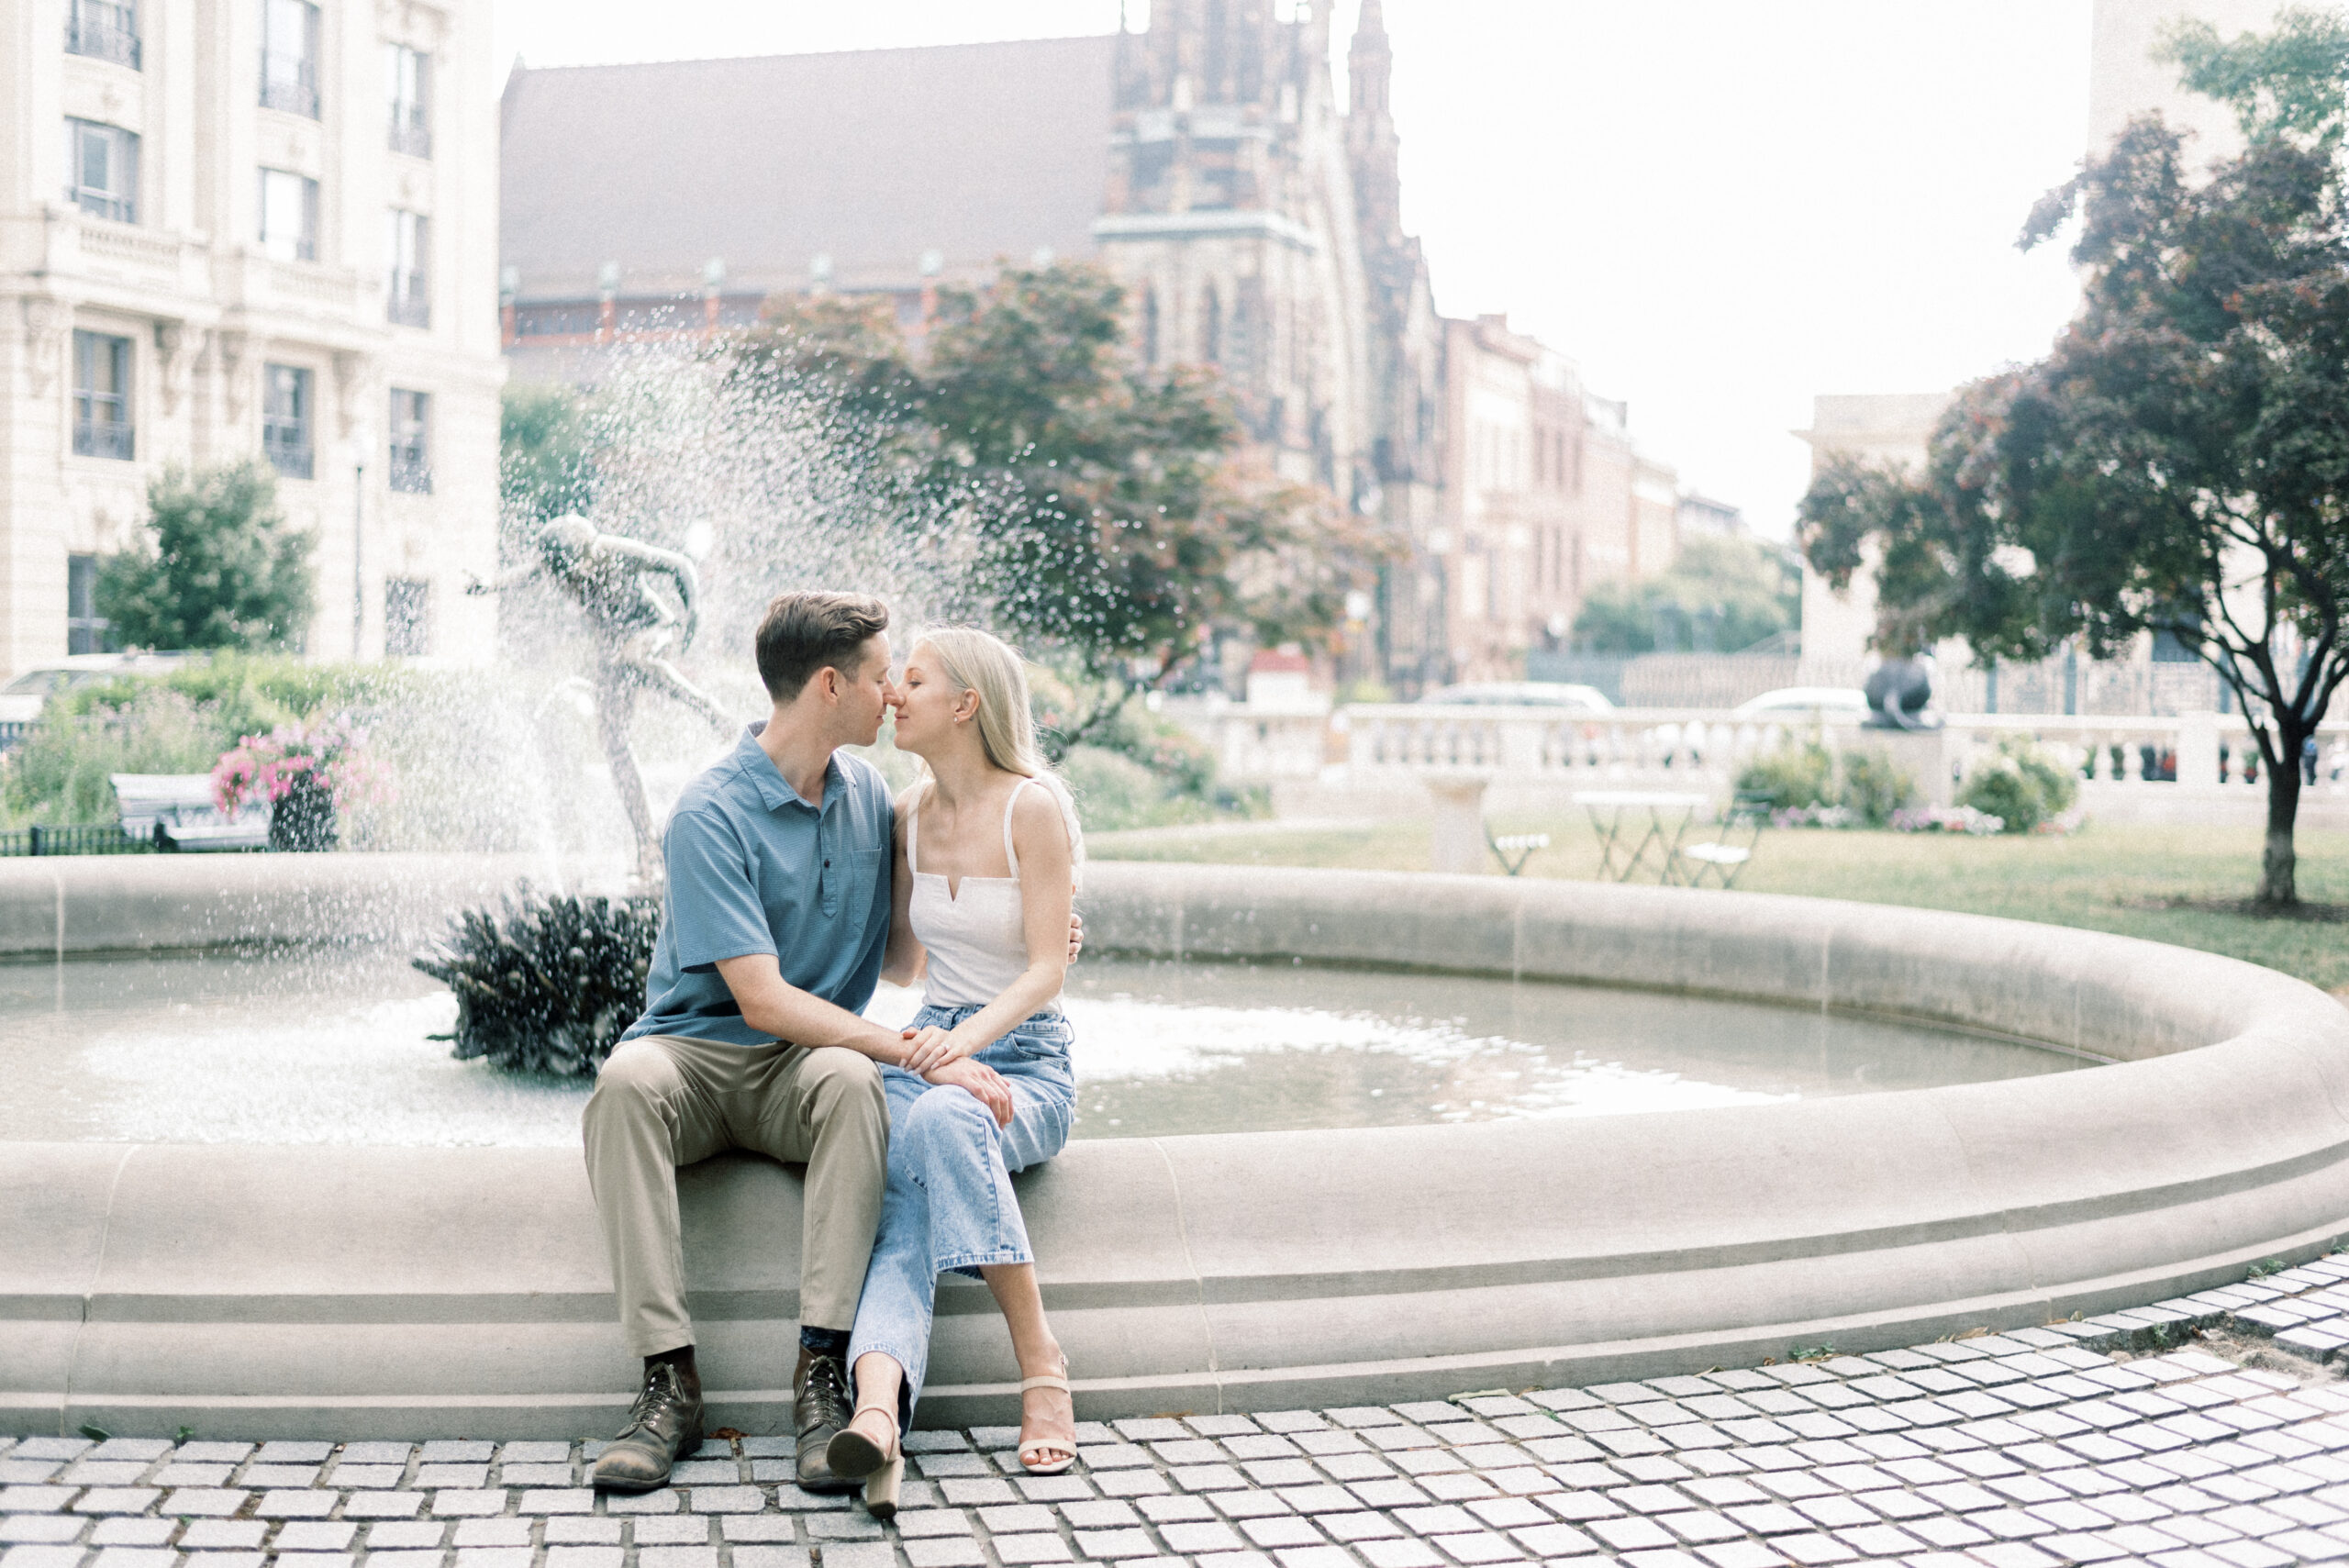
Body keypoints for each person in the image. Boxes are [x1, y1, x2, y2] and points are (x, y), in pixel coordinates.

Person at [579, 594, 1078, 1495]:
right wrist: (921, 1050)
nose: (891, 692)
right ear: (829, 684)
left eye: (905, 676)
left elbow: (905, 951)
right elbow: (762, 1000)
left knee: (853, 1081)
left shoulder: (871, 803)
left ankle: (824, 1374)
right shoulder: (710, 811)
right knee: (622, 1080)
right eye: (882, 674)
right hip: (699, 1053)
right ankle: (666, 1380)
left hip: (810, 1072)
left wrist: (1037, 942)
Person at [818, 628, 1085, 1517]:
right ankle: (876, 1412)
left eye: (915, 680)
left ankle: (1036, 1358)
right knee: (905, 1208)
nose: (892, 692)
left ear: (967, 704)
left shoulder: (1033, 808)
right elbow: (899, 964)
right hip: (934, 1045)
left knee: (937, 1125)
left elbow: (1046, 968)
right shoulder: (906, 813)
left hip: (1024, 1060)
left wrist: (962, 1046)